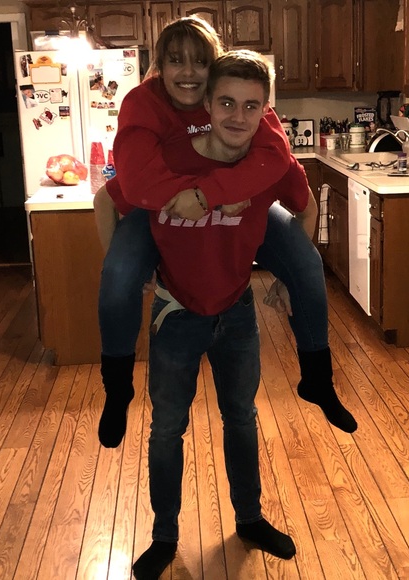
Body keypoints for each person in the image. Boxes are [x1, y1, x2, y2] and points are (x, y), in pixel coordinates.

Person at [94, 17, 357, 451]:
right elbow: (126, 187)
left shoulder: (235, 103)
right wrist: (185, 203)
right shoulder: (146, 104)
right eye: (175, 61)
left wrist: (215, 194)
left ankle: (317, 377)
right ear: (158, 66)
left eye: (200, 62)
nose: (189, 72)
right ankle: (117, 388)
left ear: (214, 70)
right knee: (118, 277)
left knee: (307, 265)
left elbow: (276, 157)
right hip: (157, 207)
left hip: (242, 208)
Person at [127, 49, 310, 580]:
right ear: (205, 104)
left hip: (237, 311)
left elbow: (305, 205)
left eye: (252, 106)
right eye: (226, 102)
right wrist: (129, 271)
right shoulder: (168, 160)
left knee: (241, 418)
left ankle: (250, 519)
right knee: (167, 428)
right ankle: (164, 536)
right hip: (175, 314)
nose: (237, 115)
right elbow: (112, 198)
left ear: (266, 111)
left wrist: (292, 276)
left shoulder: (267, 164)